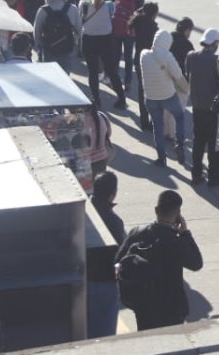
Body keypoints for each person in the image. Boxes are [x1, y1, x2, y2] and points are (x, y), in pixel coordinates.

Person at [114, 190, 203, 330]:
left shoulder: (137, 233)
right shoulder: (176, 241)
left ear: (156, 210)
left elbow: (118, 261)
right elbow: (196, 263)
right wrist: (186, 233)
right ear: (178, 215)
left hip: (144, 305)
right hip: (171, 308)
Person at [141, 29, 189, 167]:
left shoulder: (143, 54)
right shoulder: (168, 57)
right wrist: (187, 89)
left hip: (150, 98)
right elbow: (178, 76)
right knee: (179, 117)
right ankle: (179, 146)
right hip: (168, 96)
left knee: (157, 127)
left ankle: (161, 158)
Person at [79, 0, 128, 110]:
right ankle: (122, 98)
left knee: (93, 71)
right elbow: (111, 15)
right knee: (111, 71)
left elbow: (80, 14)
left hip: (89, 40)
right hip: (106, 40)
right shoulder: (110, 5)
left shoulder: (84, 4)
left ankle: (96, 100)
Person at [88, 171, 124, 338]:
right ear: (113, 194)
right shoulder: (113, 221)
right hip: (104, 280)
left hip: (82, 277)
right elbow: (122, 252)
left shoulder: (83, 211)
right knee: (105, 331)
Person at [185, 27, 219, 185]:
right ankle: (213, 176)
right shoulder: (216, 60)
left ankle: (196, 173)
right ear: (215, 43)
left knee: (198, 141)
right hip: (212, 108)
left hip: (197, 106)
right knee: (213, 143)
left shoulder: (192, 56)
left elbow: (187, 74)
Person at [33, 0, 81, 70]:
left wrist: (40, 47)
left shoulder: (43, 10)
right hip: (68, 49)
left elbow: (37, 32)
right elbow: (80, 30)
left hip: (49, 50)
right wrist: (76, 43)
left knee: (51, 77)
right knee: (65, 78)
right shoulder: (73, 9)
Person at [130, 2, 160, 132]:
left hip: (138, 59)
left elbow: (133, 18)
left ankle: (144, 120)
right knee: (152, 92)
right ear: (154, 14)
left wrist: (140, 11)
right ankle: (152, 119)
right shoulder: (154, 28)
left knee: (142, 90)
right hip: (150, 62)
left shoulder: (138, 20)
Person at [114, 0, 143, 87]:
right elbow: (141, 12)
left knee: (116, 55)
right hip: (130, 30)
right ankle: (128, 81)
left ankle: (114, 79)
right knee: (128, 57)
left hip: (117, 27)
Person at [85, 103, 115, 176]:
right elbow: (108, 134)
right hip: (102, 158)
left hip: (86, 162)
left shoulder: (79, 121)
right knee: (99, 184)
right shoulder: (102, 116)